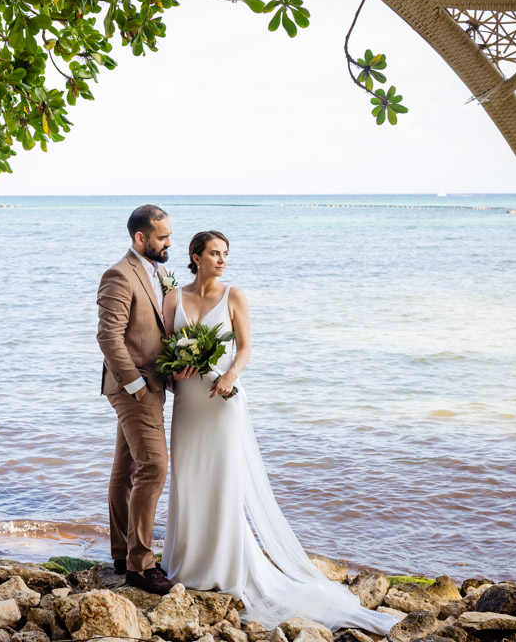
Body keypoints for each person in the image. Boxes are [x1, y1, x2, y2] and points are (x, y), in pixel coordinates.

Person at [161, 231, 397, 635]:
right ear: (195, 256)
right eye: (215, 253)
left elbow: (246, 347)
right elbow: (166, 348)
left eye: (226, 254)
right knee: (186, 477)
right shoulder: (172, 298)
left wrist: (231, 375)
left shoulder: (234, 295)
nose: (222, 260)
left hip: (222, 400)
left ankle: (223, 568)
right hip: (187, 401)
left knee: (222, 481)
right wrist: (174, 369)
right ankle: (184, 563)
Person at [95, 204, 177, 595]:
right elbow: (108, 338)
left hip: (155, 383)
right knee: (154, 468)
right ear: (140, 238)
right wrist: (136, 387)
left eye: (169, 235)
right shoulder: (118, 275)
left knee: (126, 468)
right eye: (162, 237)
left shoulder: (160, 272)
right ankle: (141, 566)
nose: (168, 243)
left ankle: (121, 552)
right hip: (133, 387)